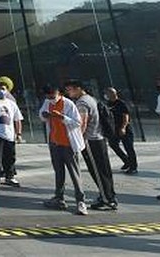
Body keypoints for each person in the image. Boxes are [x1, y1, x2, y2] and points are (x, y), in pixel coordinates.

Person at [65, 80, 118, 210]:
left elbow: (81, 124)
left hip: (90, 140)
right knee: (104, 170)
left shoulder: (82, 103)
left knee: (97, 171)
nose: (68, 92)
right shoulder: (91, 99)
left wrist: (78, 142)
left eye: (69, 89)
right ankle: (107, 195)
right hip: (99, 138)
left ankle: (107, 200)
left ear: (78, 88)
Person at [39, 85, 88, 215]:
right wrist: (45, 115)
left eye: (52, 96)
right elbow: (42, 115)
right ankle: (59, 198)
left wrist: (62, 117)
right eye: (48, 97)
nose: (50, 99)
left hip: (68, 144)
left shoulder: (68, 104)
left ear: (58, 93)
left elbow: (78, 122)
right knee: (58, 172)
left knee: (74, 172)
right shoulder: (47, 102)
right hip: (55, 143)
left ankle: (80, 200)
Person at [104, 87, 138, 174]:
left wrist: (123, 127)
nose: (106, 95)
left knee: (129, 147)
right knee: (113, 144)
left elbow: (126, 116)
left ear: (113, 94)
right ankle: (126, 161)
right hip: (114, 129)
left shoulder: (121, 103)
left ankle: (133, 167)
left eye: (108, 93)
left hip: (124, 128)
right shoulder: (108, 103)